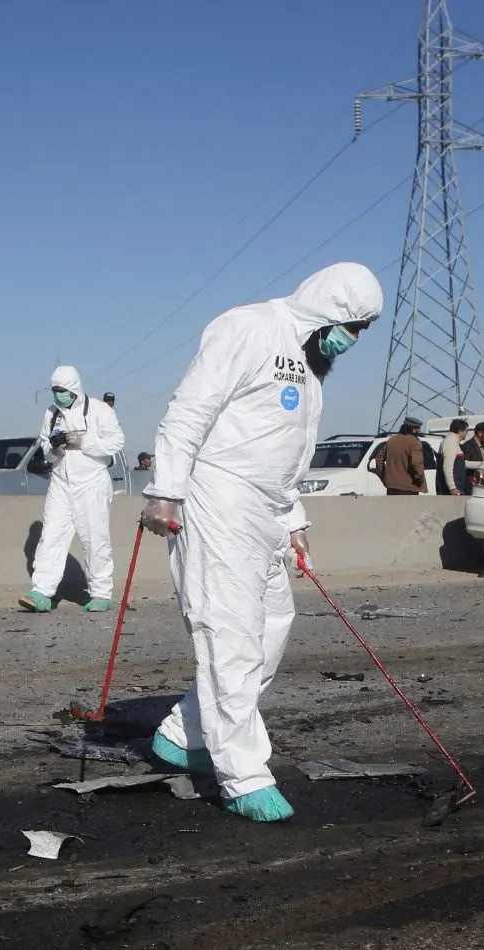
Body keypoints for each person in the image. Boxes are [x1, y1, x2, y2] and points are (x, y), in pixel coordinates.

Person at [139, 261, 382, 822]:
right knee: (230, 632)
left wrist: (293, 519)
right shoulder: (247, 328)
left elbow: (283, 448)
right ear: (330, 310)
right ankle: (242, 774)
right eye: (354, 327)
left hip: (267, 508)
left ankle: (185, 732)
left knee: (273, 625)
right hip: (216, 496)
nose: (353, 341)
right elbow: (190, 410)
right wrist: (166, 491)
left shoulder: (309, 361)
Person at [21, 365, 126, 612]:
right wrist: (54, 450)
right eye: (55, 390)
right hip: (60, 482)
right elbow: (46, 446)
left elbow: (117, 442)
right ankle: (41, 592)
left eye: (63, 390)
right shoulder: (51, 413)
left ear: (75, 388)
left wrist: (83, 442)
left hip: (91, 484)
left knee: (94, 538)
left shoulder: (100, 410)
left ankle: (100, 593)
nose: (59, 395)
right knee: (51, 537)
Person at [380, 418, 427, 495]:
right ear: (413, 429)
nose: (418, 431)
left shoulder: (391, 440)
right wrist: (419, 478)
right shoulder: (414, 441)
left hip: (392, 487)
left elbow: (379, 458)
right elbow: (416, 463)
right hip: (410, 488)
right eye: (418, 429)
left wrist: (384, 477)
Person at [438, 418, 469, 495]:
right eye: (466, 431)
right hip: (452, 489)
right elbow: (448, 466)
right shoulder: (450, 442)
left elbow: (459, 463)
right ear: (460, 431)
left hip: (457, 486)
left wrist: (480, 463)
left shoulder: (454, 442)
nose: (467, 433)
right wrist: (452, 487)